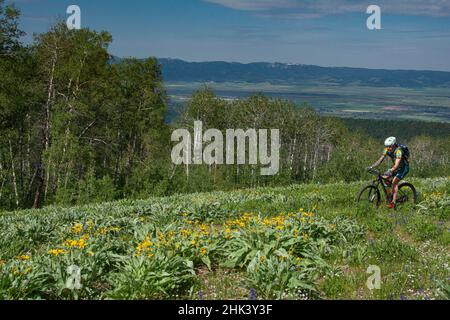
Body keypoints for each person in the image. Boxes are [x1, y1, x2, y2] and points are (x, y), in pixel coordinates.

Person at [369, 137, 410, 209]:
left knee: (394, 182)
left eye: (390, 146)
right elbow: (380, 160)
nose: (388, 148)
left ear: (394, 145)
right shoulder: (386, 150)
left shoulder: (398, 151)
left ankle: (393, 202)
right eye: (387, 146)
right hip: (395, 168)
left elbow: (397, 164)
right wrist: (372, 166)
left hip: (404, 168)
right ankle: (389, 197)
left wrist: (391, 170)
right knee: (384, 178)